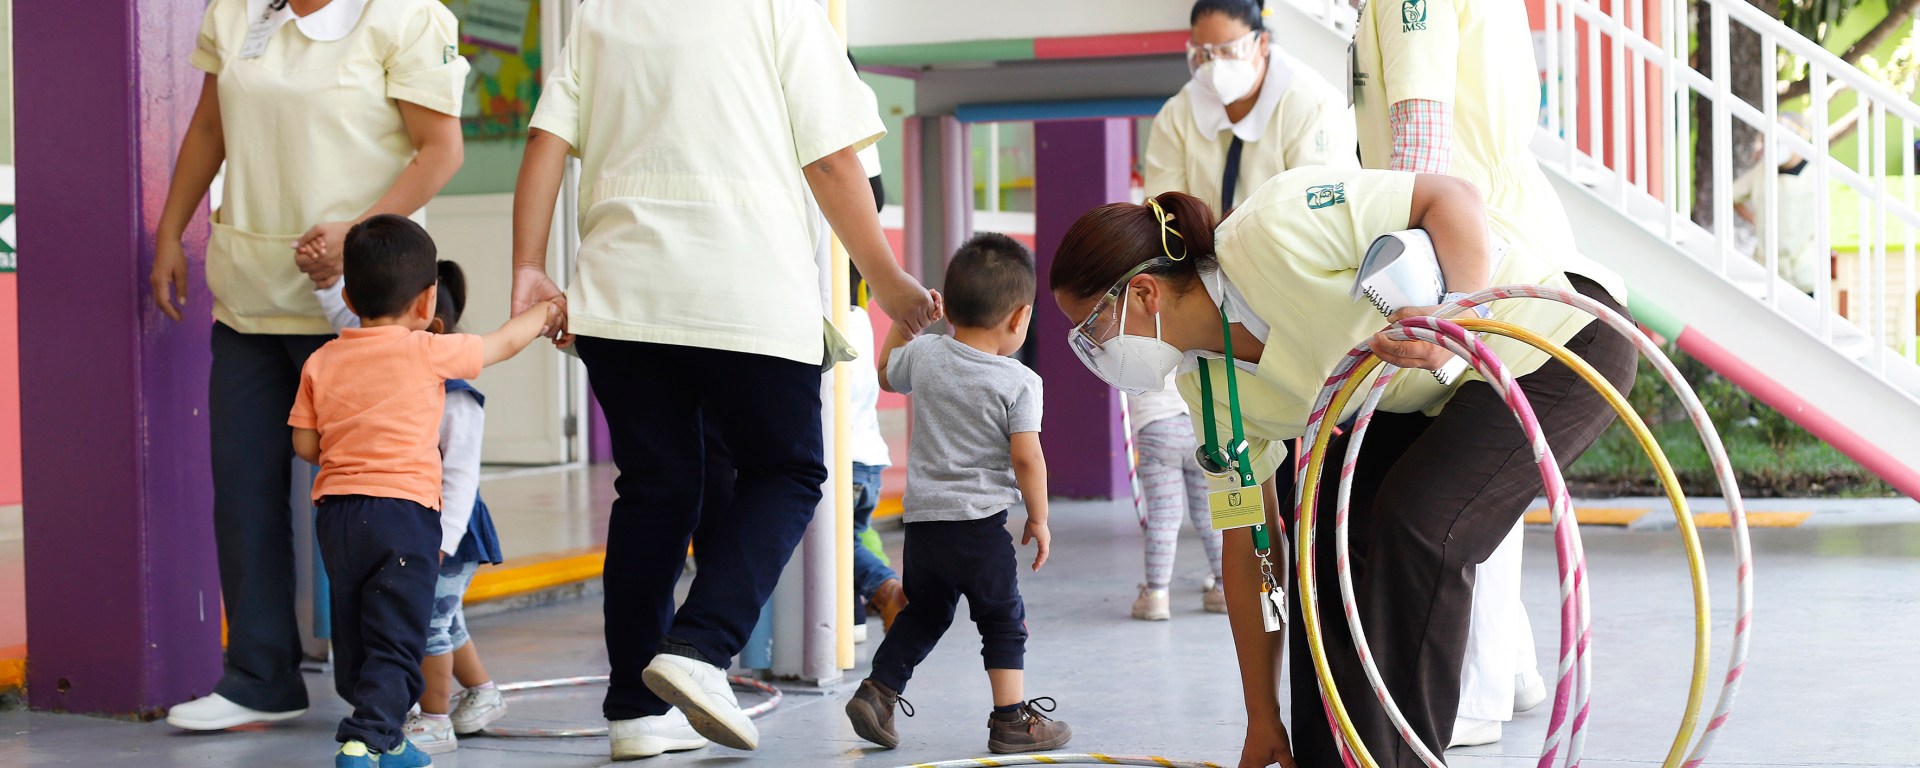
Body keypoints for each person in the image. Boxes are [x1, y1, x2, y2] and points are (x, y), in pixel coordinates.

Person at [1049, 167, 1636, 768]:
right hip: (1418, 392)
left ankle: (1408, 759)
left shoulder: (1273, 228)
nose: (1094, 352)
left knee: (1420, 526)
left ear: (1144, 294)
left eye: (1091, 328)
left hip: (1550, 338)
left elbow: (1449, 197)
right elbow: (1250, 545)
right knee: (1321, 534)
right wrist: (1262, 717)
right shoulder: (1208, 390)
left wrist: (1452, 319)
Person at [509, 0, 938, 760]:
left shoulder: (606, 14)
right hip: (742, 293)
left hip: (620, 296)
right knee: (789, 468)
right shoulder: (783, 11)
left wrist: (529, 268)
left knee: (654, 486)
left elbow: (547, 140)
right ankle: (700, 649)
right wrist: (890, 282)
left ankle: (636, 712)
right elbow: (835, 162)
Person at [153, 0, 468, 732]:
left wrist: (358, 233)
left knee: (377, 507)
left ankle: (386, 689)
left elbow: (440, 150)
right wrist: (172, 229)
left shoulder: (408, 16)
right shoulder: (233, 13)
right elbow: (209, 127)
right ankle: (260, 676)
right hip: (250, 296)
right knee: (244, 493)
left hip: (362, 310)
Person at [1347, 0, 1622, 744]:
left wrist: (1439, 308)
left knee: (1425, 520)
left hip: (1508, 301)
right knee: (1385, 512)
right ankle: (1488, 682)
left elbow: (1423, 142)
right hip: (1477, 296)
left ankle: (1449, 714)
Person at [290, 215, 558, 767]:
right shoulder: (426, 350)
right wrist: (547, 311)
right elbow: (503, 344)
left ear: (346, 294)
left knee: (358, 627)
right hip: (403, 515)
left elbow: (306, 446)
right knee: (399, 637)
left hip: (338, 517)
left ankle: (390, 737)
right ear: (427, 302)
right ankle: (364, 740)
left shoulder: (320, 360)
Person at [845, 233, 1073, 756]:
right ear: (1019, 318)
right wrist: (1038, 517)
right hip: (978, 528)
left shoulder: (925, 354)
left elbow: (885, 373)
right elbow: (1026, 458)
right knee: (1002, 618)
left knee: (923, 612)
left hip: (923, 528)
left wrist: (906, 327)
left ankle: (878, 693)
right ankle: (1011, 719)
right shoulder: (1020, 382)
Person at [310, 262, 511, 754]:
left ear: (432, 329)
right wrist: (323, 284)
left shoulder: (456, 395)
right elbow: (361, 317)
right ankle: (482, 692)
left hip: (444, 530)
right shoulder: (392, 361)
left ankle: (437, 719)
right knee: (440, 616)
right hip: (410, 523)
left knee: (430, 624)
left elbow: (462, 477)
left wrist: (442, 540)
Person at [1145, 0, 1357, 218]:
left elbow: (1325, 209)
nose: (1216, 66)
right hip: (1200, 251)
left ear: (1262, 43)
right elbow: (1162, 211)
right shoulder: (1176, 114)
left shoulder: (1311, 103)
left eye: (1229, 50)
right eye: (1205, 55)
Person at [1127, 377, 1228, 620]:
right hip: (1201, 425)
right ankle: (1225, 589)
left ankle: (1156, 596)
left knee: (1164, 517)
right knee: (1209, 514)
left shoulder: (1135, 340)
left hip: (1157, 425)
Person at [846, 269, 908, 637]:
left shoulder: (831, 321)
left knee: (836, 544)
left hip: (844, 460)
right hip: (869, 458)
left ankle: (886, 590)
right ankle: (854, 618)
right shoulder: (861, 321)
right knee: (852, 535)